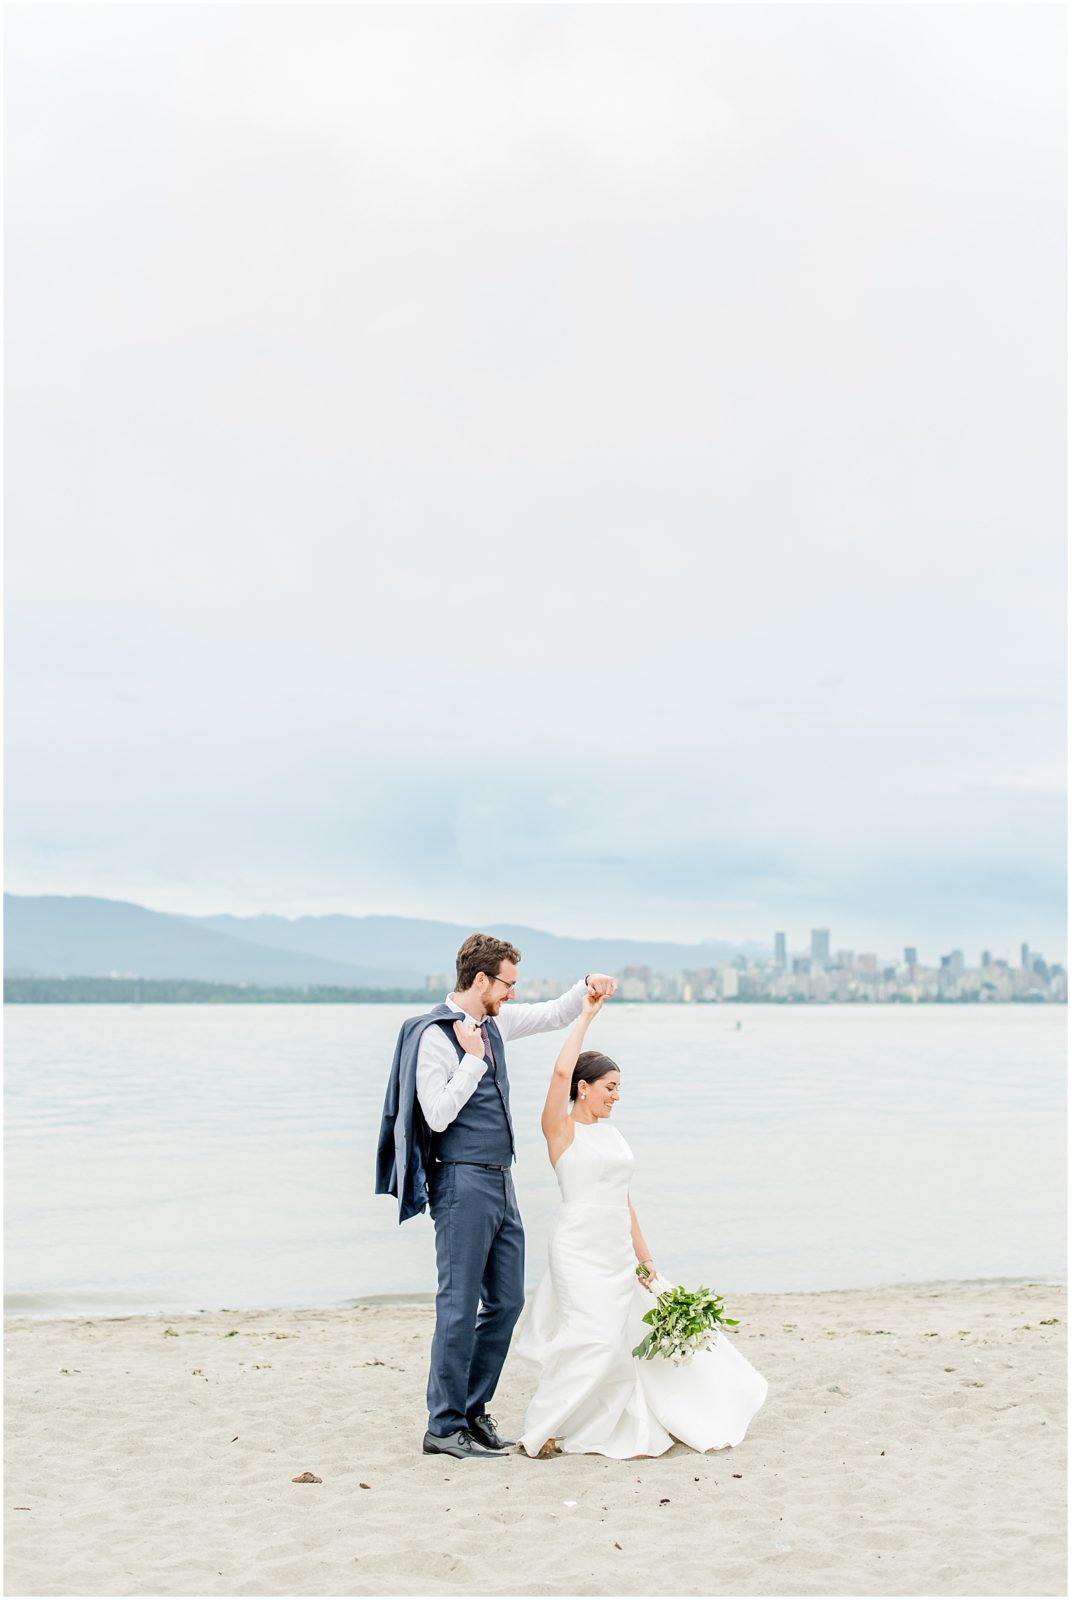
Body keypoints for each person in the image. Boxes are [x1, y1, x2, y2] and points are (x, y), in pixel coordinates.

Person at [375, 932, 618, 1459]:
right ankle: (442, 1427)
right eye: (506, 983)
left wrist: (587, 988)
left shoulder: (496, 1021)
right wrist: (473, 1061)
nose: (511, 993)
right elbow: (436, 1114)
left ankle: (472, 1412)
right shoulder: (435, 1037)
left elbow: (553, 1014)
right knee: (458, 1306)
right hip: (460, 1180)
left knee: (506, 1302)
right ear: (480, 980)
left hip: (501, 1180)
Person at [514, 993, 768, 1458]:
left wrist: (645, 1256)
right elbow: (557, 1073)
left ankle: (589, 1419)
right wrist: (586, 1015)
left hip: (617, 1249)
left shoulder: (612, 1133)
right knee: (589, 1336)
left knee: (620, 1337)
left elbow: (624, 1201)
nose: (616, 1095)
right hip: (577, 1247)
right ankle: (543, 1427)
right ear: (583, 1087)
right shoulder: (561, 1130)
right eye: (609, 1086)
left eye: (619, 1088)